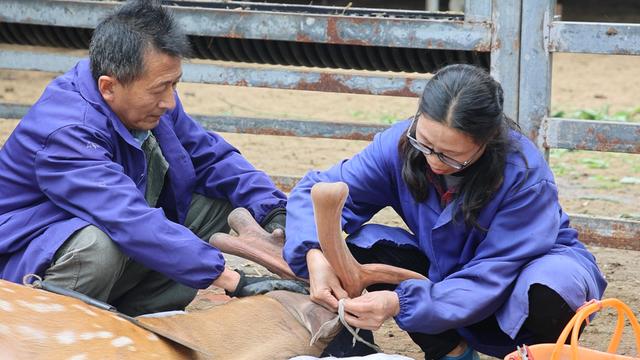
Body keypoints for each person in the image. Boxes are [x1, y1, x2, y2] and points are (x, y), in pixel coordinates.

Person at [283, 64, 607, 359]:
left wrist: (400, 302)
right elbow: (318, 191)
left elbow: (492, 274)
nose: (434, 162)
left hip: (515, 277)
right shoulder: (398, 144)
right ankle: (452, 352)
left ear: (488, 140)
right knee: (366, 245)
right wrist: (316, 254)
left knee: (549, 285)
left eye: (451, 157)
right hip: (447, 274)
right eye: (424, 144)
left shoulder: (524, 175)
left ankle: (538, 354)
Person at [0, 0, 295, 316]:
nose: (169, 101)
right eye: (160, 89)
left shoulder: (149, 98)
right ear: (109, 87)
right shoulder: (67, 130)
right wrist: (234, 280)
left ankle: (140, 319)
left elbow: (213, 158)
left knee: (221, 208)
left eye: (174, 84)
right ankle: (48, 324)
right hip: (29, 260)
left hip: (109, 225)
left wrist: (275, 212)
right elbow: (127, 218)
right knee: (97, 247)